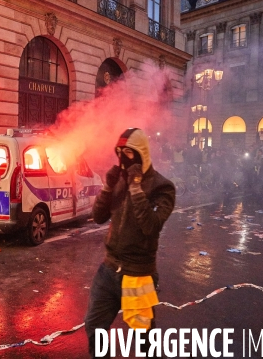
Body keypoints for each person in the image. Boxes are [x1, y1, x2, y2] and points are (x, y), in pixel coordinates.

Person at [84, 128, 176, 358]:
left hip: (138, 273)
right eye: (119, 152)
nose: (123, 158)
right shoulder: (119, 180)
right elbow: (98, 217)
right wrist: (108, 186)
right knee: (94, 327)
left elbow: (151, 226)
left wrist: (135, 187)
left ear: (141, 153)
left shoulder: (162, 187)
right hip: (108, 269)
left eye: (129, 152)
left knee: (143, 340)